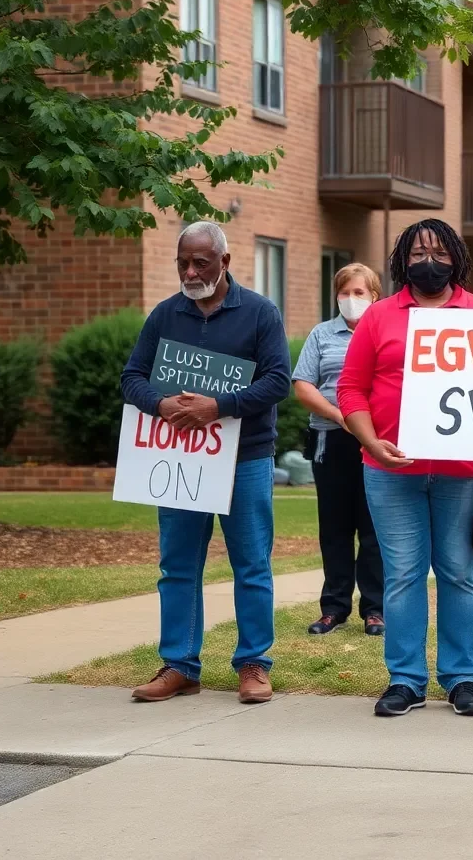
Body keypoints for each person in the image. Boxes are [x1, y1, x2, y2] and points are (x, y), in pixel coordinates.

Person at [338, 219, 473, 719]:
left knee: (458, 573)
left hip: (463, 472)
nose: (428, 261)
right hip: (390, 471)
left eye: (438, 251)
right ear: (401, 262)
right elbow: (351, 389)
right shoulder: (378, 317)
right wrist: (370, 440)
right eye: (417, 254)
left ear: (456, 257)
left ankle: (462, 678)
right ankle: (406, 679)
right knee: (403, 574)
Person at [121, 222, 290, 704]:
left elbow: (278, 381)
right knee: (177, 564)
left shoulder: (260, 313)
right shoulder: (164, 315)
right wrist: (160, 405)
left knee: (251, 564)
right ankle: (179, 665)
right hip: (179, 459)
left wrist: (219, 407)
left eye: (201, 263)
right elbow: (132, 377)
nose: (191, 272)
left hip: (245, 459)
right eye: (183, 263)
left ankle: (254, 664)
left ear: (225, 262)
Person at [293, 263, 385, 638]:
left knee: (374, 528)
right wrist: (339, 414)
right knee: (334, 528)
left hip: (375, 442)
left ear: (374, 296)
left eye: (359, 293)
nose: (350, 300)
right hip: (331, 440)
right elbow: (303, 384)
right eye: (344, 293)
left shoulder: (383, 331)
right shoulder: (321, 335)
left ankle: (375, 609)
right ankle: (333, 608)